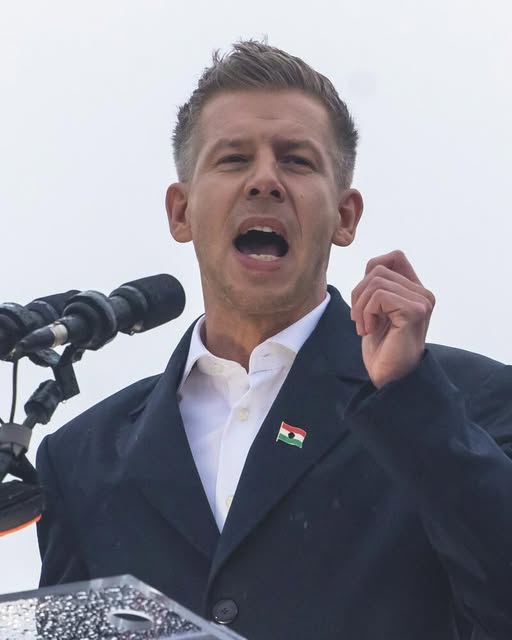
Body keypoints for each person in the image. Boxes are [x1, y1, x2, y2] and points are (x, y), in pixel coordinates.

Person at [36, 41, 512, 640]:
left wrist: (409, 399)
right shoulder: (81, 457)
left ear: (345, 217)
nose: (265, 180)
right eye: (234, 159)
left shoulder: (465, 400)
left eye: (297, 161)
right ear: (181, 212)